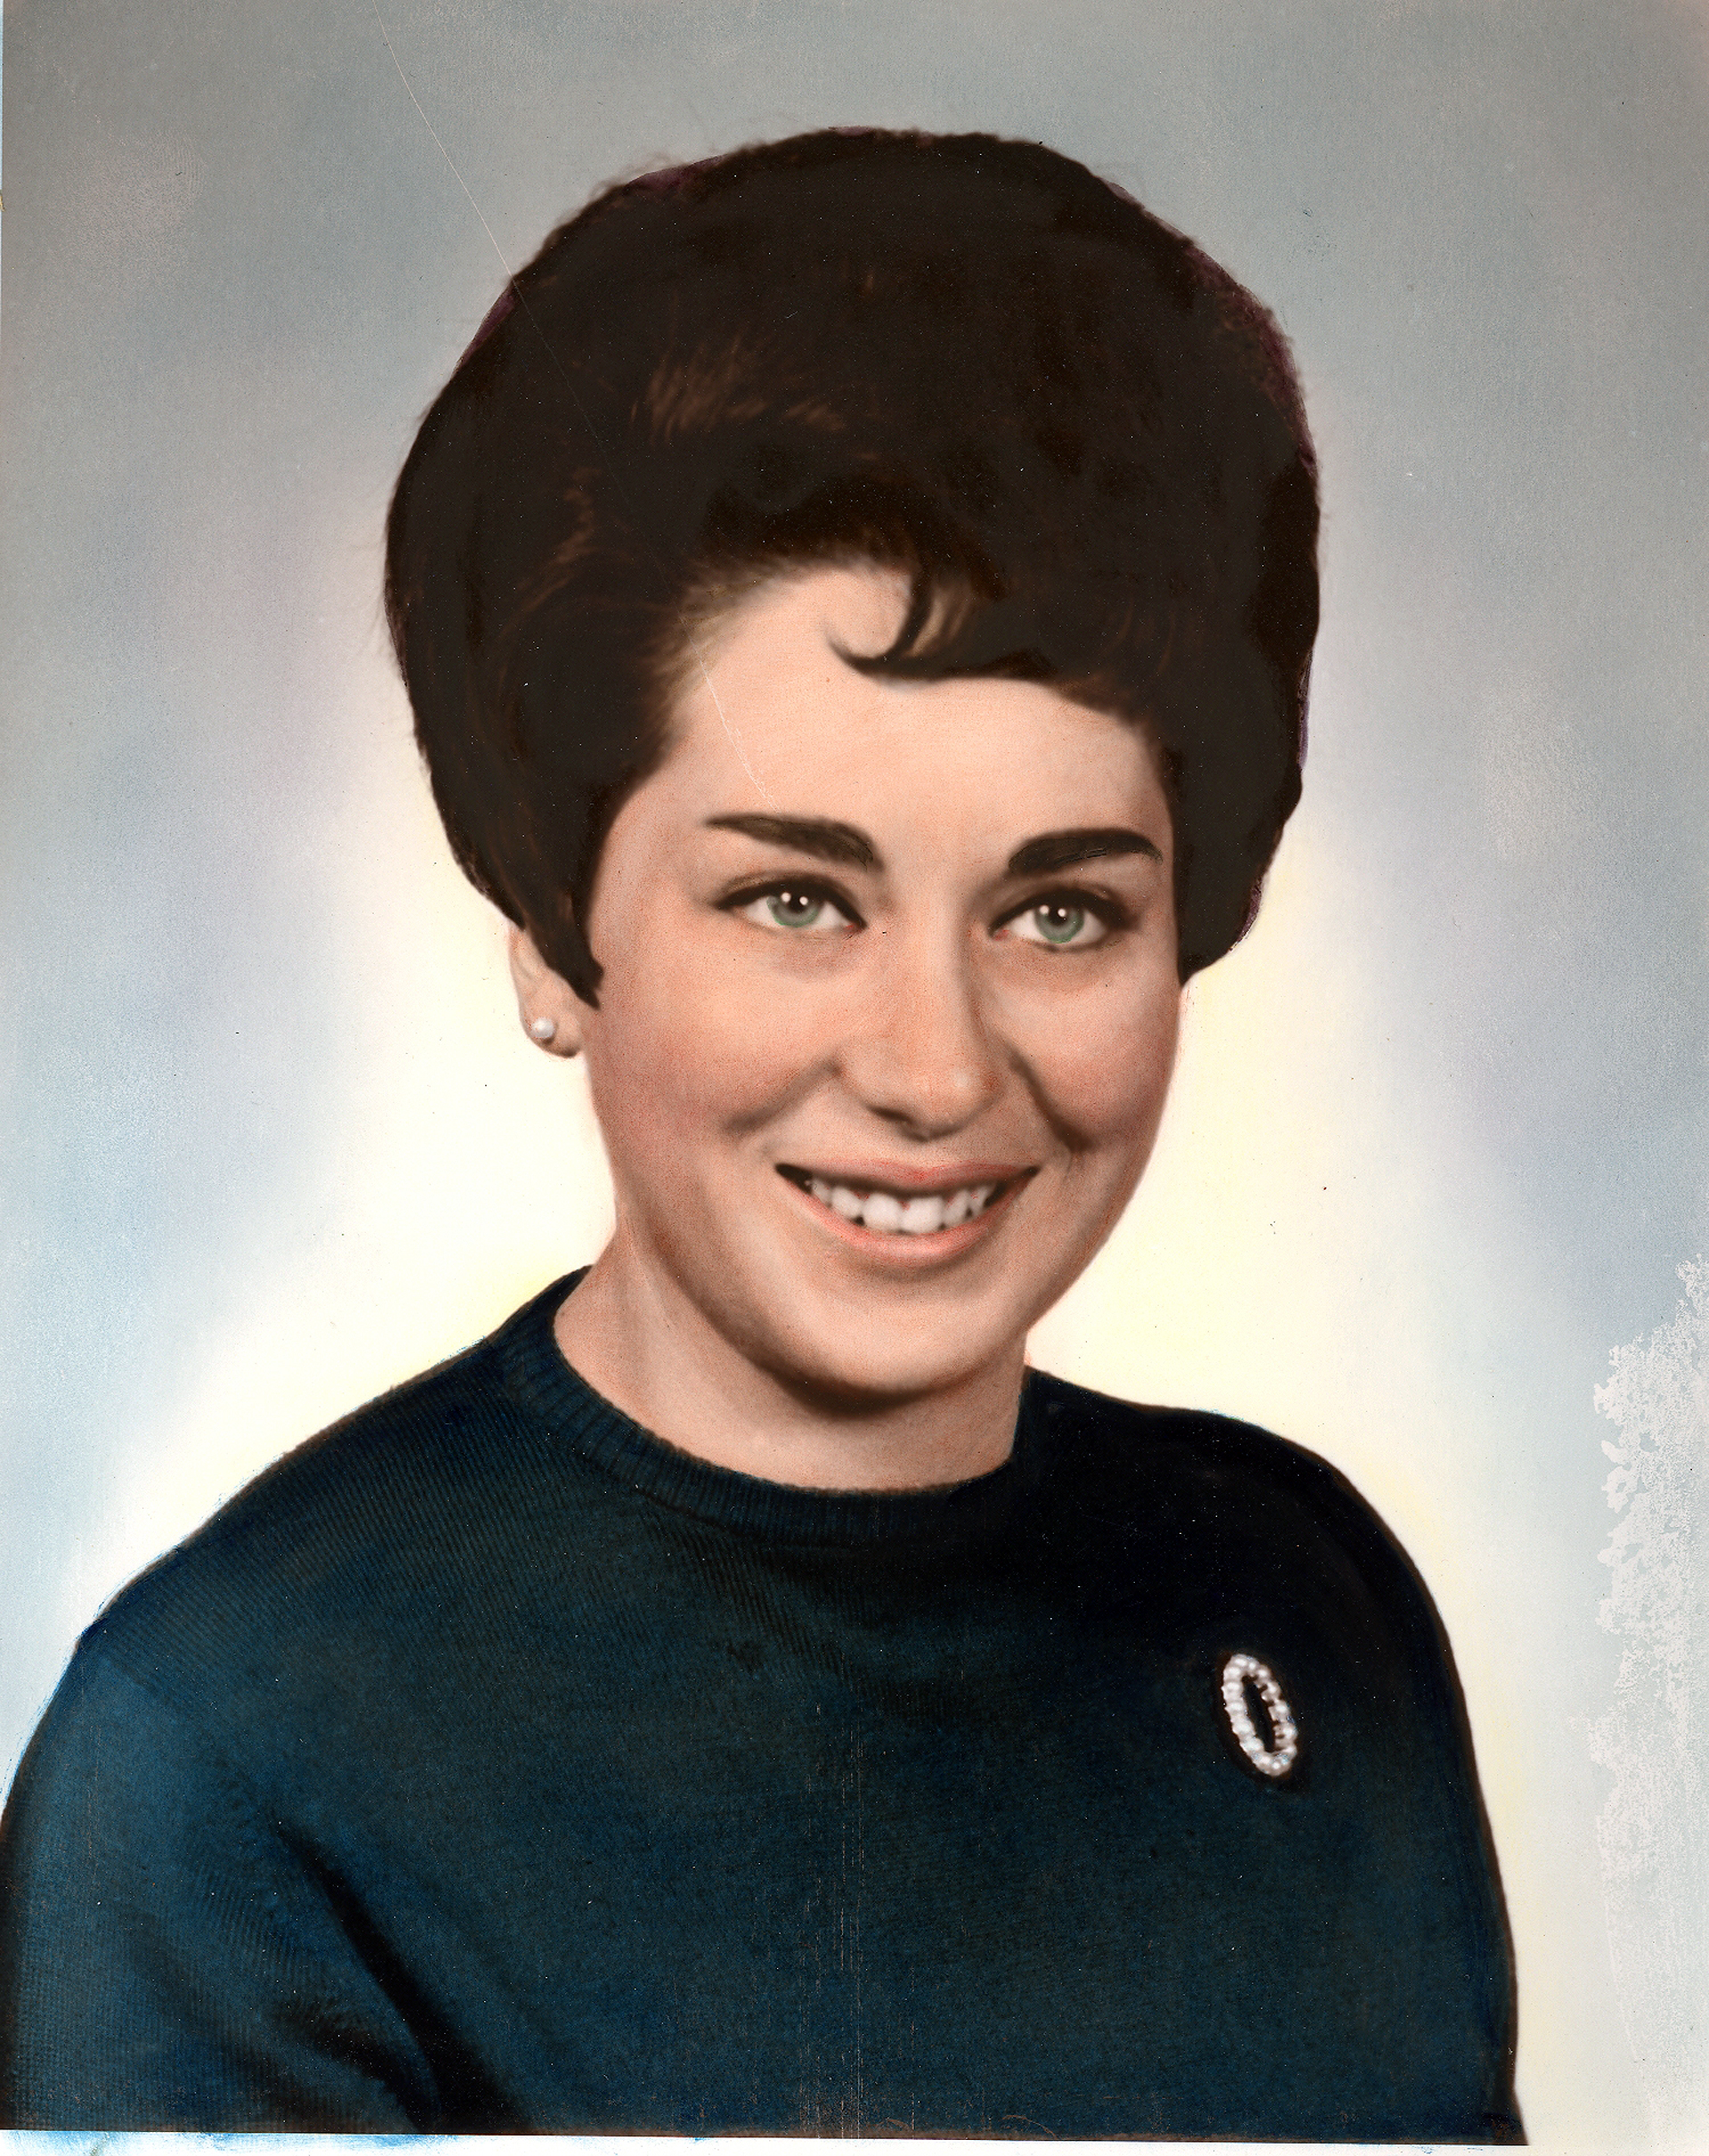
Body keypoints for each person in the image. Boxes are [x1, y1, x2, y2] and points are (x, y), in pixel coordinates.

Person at [0, 129, 1522, 2137]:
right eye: (797, 897)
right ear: (556, 928)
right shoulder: (227, 1767)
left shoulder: (1305, 1597)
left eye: (1061, 909)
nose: (936, 1067)